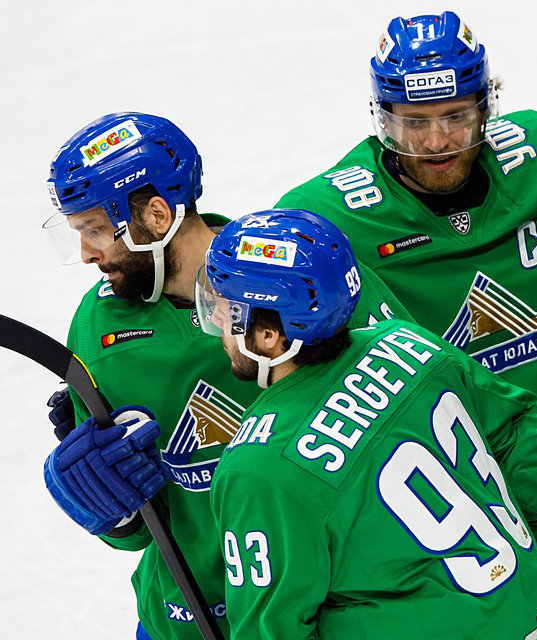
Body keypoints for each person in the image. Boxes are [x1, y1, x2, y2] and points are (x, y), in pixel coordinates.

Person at [194, 208, 537, 640]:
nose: (214, 317)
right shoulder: (405, 342)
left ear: (269, 335)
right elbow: (519, 433)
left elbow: (272, 629)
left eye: (227, 308)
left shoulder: (259, 466)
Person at [42, 112, 410, 640]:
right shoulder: (97, 327)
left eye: (96, 229)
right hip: (186, 621)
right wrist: (108, 504)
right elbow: (140, 531)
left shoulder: (302, 274)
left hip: (322, 612)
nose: (85, 254)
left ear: (157, 215)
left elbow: (412, 412)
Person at [275, 11, 537, 441]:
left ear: (486, 108)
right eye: (414, 122)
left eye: (456, 116)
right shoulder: (321, 220)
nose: (436, 141)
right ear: (384, 118)